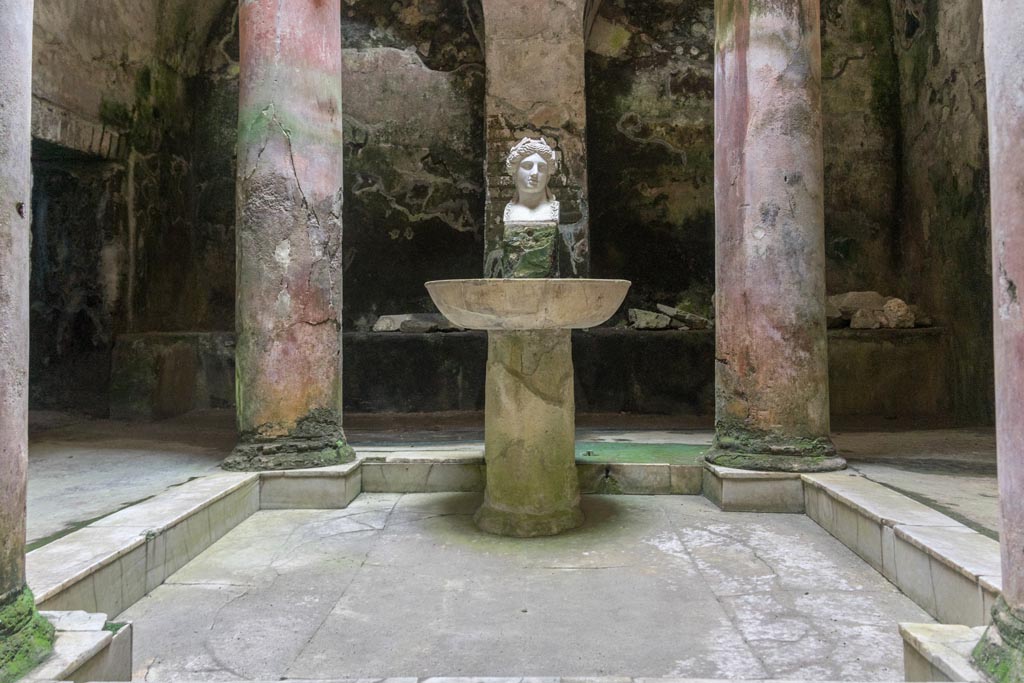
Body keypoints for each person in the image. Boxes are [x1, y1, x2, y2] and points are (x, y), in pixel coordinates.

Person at [503, 137, 559, 224]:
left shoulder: (552, 211)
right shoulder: (511, 212)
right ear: (514, 174)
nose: (535, 173)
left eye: (541, 167)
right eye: (527, 166)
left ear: (548, 176)